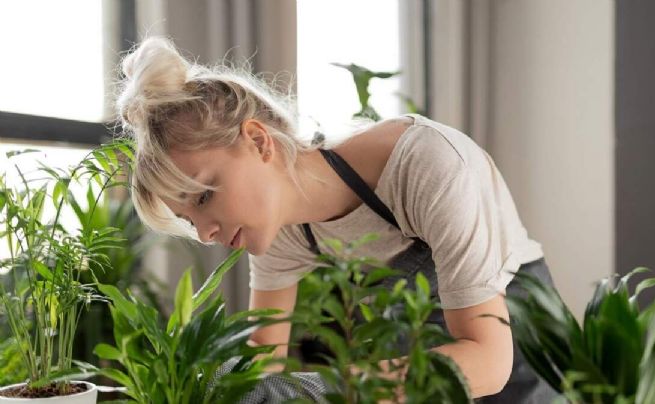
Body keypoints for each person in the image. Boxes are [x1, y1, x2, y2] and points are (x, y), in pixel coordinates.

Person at [118, 36, 558, 403]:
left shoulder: (427, 165)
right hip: (417, 362)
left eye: (204, 195)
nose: (207, 232)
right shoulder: (279, 231)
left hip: (515, 350)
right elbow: (263, 363)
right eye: (189, 220)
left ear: (257, 140)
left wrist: (322, 391)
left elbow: (487, 361)